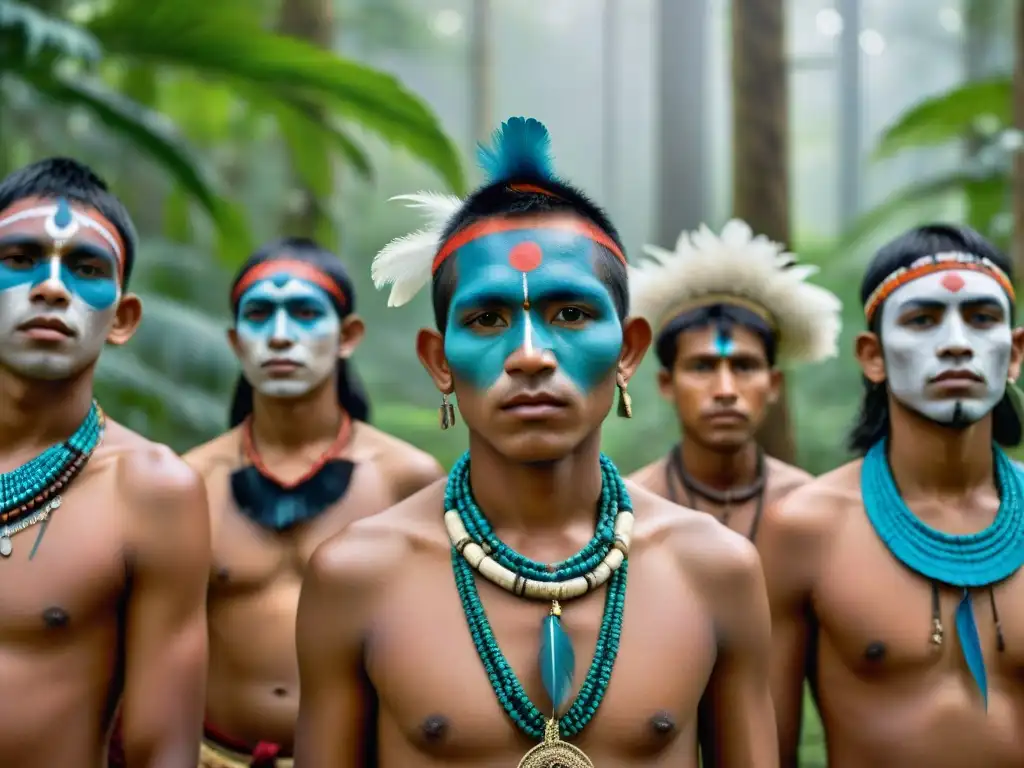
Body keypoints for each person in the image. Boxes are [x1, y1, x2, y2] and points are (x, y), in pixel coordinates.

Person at [293, 117, 777, 767]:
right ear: (439, 361)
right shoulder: (357, 575)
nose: (529, 355)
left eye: (571, 314)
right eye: (487, 318)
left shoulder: (715, 569)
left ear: (629, 352)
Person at [759, 224, 1024, 767]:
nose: (956, 342)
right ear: (872, 356)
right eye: (922, 320)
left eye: (982, 318)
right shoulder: (806, 529)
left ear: (1015, 353)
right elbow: (762, 751)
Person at [182, 237, 444, 767]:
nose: (280, 336)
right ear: (235, 341)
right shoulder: (190, 482)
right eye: (260, 315)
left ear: (348, 336)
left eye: (304, 313)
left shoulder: (406, 479)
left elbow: (434, 647)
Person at [0, 157, 210, 767]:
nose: (53, 287)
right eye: (19, 260)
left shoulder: (151, 492)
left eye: (86, 268)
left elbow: (161, 751)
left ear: (122, 319)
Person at [627, 221, 842, 540]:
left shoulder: (812, 507)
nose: (725, 391)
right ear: (666, 383)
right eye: (702, 367)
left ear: (773, 384)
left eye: (744, 366)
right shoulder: (629, 509)